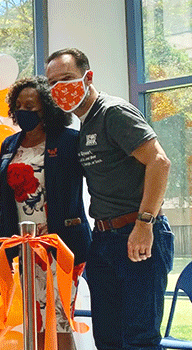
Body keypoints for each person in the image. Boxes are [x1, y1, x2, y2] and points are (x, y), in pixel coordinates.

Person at [46, 48, 174, 350]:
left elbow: (159, 162)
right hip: (103, 239)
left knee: (139, 340)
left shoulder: (112, 112)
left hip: (136, 234)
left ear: (88, 77)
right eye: (52, 83)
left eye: (67, 78)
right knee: (107, 338)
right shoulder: (85, 124)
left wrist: (144, 224)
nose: (60, 88)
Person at [0, 75, 92, 349]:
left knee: (60, 322)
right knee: (34, 321)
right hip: (27, 249)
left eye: (30, 106)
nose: (23, 112)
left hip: (61, 246)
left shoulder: (69, 140)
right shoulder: (9, 145)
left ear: (47, 109)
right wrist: (4, 243)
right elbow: (5, 199)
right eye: (18, 106)